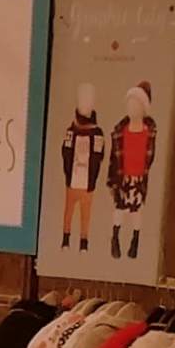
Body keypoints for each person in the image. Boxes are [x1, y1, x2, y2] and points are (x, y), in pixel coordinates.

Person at [105, 81, 157, 260]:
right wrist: (111, 181)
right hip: (123, 178)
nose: (132, 108)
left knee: (136, 211)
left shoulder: (149, 133)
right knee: (119, 209)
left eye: (136, 104)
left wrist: (142, 175)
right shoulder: (120, 132)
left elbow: (150, 158)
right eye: (129, 104)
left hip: (138, 179)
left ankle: (135, 241)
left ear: (143, 108)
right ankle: (115, 238)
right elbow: (114, 158)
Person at [59, 87, 104, 249]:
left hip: (87, 182)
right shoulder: (71, 131)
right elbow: (65, 152)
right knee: (69, 211)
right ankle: (66, 238)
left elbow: (99, 156)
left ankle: (84, 241)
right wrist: (68, 173)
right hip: (72, 179)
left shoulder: (97, 133)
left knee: (85, 213)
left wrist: (93, 178)